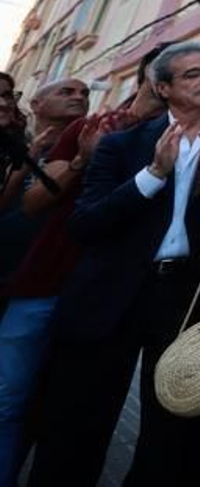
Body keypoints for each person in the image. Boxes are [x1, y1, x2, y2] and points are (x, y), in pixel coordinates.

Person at [30, 43, 200, 487]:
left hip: (188, 299)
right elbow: (84, 224)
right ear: (162, 88)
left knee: (173, 431)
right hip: (111, 297)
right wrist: (152, 175)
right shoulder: (121, 146)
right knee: (77, 427)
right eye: (193, 74)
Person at [0, 50, 165, 487]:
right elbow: (35, 203)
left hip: (107, 300)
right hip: (49, 281)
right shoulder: (94, 128)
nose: (78, 97)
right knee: (12, 398)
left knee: (70, 413)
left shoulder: (188, 139)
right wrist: (84, 159)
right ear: (152, 76)